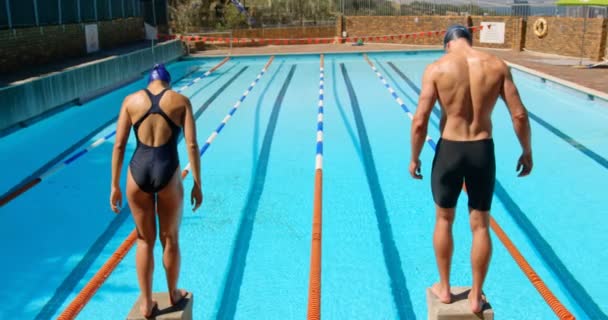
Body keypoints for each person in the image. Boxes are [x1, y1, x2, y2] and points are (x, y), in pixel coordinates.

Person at [408, 25, 532, 313]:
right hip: (481, 150)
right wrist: (527, 151)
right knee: (480, 225)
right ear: (469, 40)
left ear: (447, 44)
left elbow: (419, 120)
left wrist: (414, 158)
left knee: (444, 219)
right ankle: (476, 297)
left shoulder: (437, 68)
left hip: (450, 149)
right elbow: (519, 114)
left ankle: (445, 288)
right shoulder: (496, 65)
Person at [110, 64, 203, 317]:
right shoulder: (180, 100)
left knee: (143, 240)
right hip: (167, 170)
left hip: (136, 171)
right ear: (168, 83)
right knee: (170, 238)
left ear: (149, 81)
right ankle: (173, 293)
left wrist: (115, 185)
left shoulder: (131, 101)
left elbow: (118, 146)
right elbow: (192, 144)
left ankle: (147, 303)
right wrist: (197, 182)